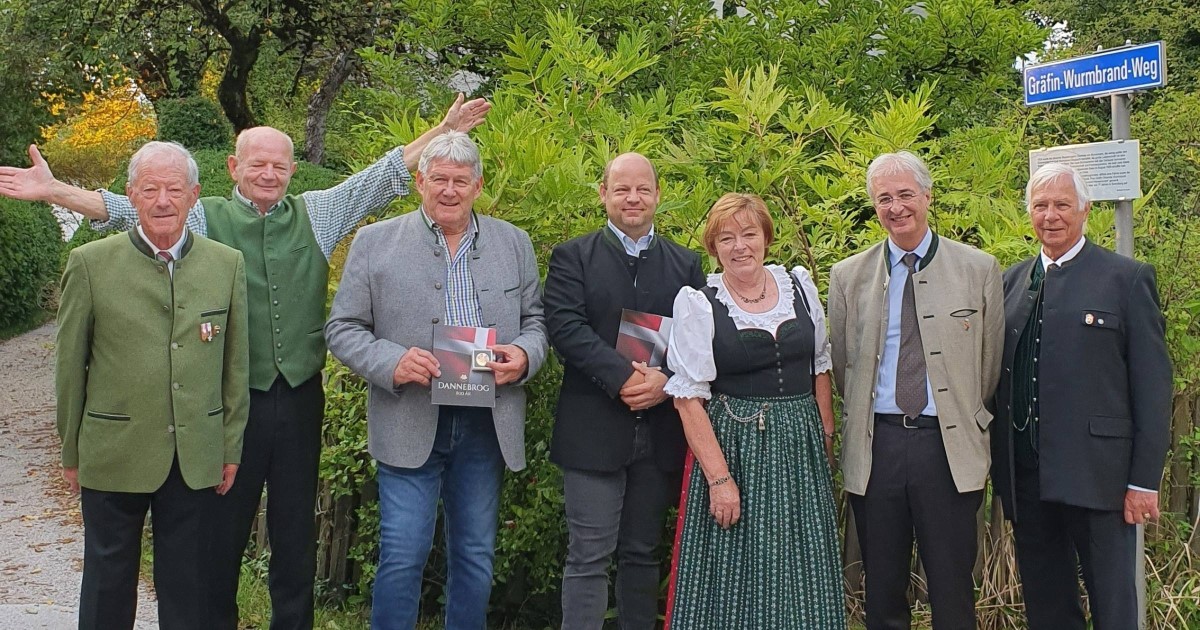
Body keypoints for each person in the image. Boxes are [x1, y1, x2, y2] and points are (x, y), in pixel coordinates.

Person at [0, 95, 490, 629]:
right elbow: (133, 207)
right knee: (219, 536)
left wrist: (441, 131)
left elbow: (382, 175)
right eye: (257, 163)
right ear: (234, 167)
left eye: (279, 165)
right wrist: (56, 192)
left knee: (295, 533)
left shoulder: (318, 213)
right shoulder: (204, 214)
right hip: (229, 402)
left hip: (299, 398)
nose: (268, 174)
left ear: (292, 171)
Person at [324, 131, 547, 629]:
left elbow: (537, 322)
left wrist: (524, 356)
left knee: (475, 556)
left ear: (478, 185)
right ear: (420, 182)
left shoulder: (514, 242)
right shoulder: (374, 241)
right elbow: (341, 328)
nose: (450, 190)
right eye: (439, 179)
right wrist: (392, 362)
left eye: (460, 181)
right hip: (409, 418)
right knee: (403, 554)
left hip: (486, 423)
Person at [56, 141, 249, 630]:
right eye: (150, 189)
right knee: (107, 579)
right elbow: (70, 366)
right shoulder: (89, 263)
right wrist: (71, 450)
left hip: (195, 452)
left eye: (174, 190)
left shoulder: (226, 264)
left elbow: (234, 366)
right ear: (132, 195)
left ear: (193, 196)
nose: (163, 200)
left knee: (188, 583)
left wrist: (229, 445)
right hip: (112, 447)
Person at [827, 151, 1003, 630]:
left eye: (905, 194)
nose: (896, 206)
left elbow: (987, 369)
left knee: (951, 587)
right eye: (884, 198)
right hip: (877, 446)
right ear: (873, 206)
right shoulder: (847, 277)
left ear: (927, 196)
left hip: (947, 448)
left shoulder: (979, 269)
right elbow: (846, 367)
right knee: (881, 589)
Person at [991, 163, 1171, 630]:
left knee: (1112, 606)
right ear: (1028, 212)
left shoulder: (1125, 279)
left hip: (1101, 479)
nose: (1050, 215)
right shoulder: (1010, 283)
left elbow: (1152, 387)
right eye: (1040, 205)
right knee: (1047, 605)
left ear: (1085, 210)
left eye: (1062, 205)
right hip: (1030, 479)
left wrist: (1144, 482)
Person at [663, 193, 845, 629]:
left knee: (804, 560)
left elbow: (819, 363)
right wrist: (719, 479)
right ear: (714, 246)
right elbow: (688, 399)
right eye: (727, 238)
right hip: (738, 446)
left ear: (766, 237)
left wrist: (824, 433)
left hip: (800, 448)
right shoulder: (700, 302)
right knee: (738, 563)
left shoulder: (798, 285)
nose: (740, 246)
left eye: (748, 234)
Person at [543, 153, 705, 629]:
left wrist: (664, 381)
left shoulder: (685, 263)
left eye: (642, 190)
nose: (632, 199)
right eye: (621, 189)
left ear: (657, 194)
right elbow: (566, 327)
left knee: (642, 553)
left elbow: (699, 340)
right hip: (593, 428)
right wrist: (623, 377)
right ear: (604, 194)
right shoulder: (574, 256)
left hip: (659, 430)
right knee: (588, 556)